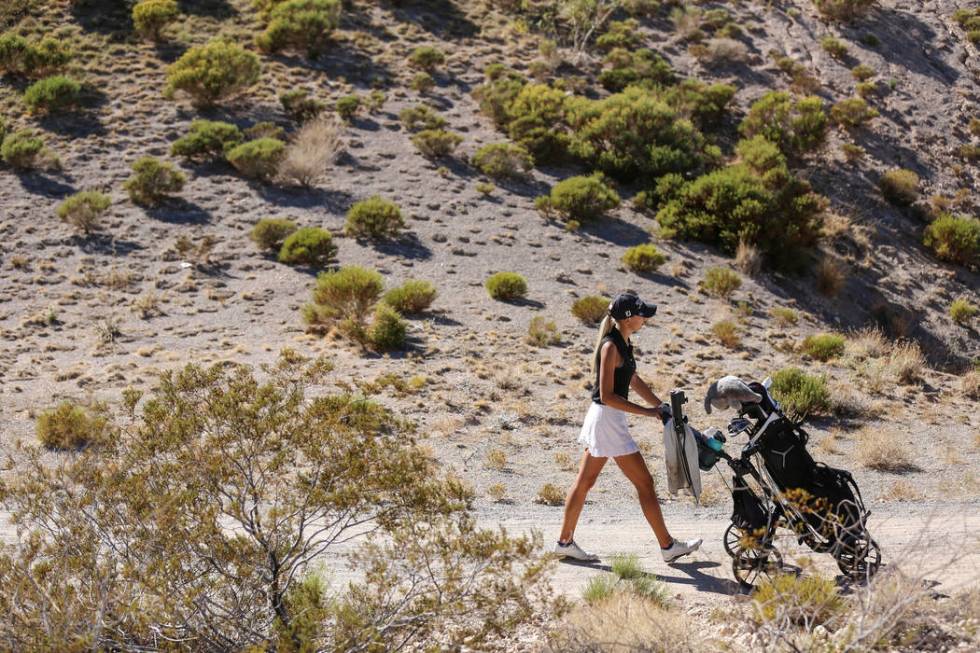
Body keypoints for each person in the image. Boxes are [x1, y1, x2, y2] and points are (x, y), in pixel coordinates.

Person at [554, 291, 702, 563]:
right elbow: (608, 396)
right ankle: (668, 546)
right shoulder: (611, 347)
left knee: (585, 482)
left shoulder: (624, 343)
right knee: (644, 482)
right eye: (641, 314)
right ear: (628, 318)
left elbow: (633, 380)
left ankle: (564, 542)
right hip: (607, 420)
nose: (645, 318)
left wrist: (661, 406)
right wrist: (648, 412)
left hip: (607, 419)